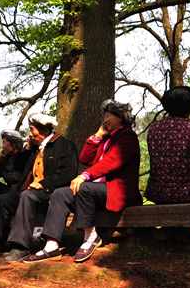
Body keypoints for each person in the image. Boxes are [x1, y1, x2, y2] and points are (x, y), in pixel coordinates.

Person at [23, 99, 142, 263]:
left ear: (121, 118)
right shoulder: (105, 138)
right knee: (60, 194)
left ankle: (91, 236)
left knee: (84, 187)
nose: (105, 119)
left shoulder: (127, 137)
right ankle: (51, 245)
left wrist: (84, 176)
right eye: (104, 115)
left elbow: (112, 162)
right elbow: (84, 158)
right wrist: (98, 136)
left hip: (117, 191)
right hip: (96, 190)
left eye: (109, 115)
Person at [0, 113, 78, 261]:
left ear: (43, 130)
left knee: (27, 197)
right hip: (31, 190)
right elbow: (19, 168)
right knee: (3, 200)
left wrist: (43, 184)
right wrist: (27, 149)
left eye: (32, 129)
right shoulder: (35, 149)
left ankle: (21, 247)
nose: (30, 133)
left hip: (53, 192)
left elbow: (68, 174)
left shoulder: (64, 145)